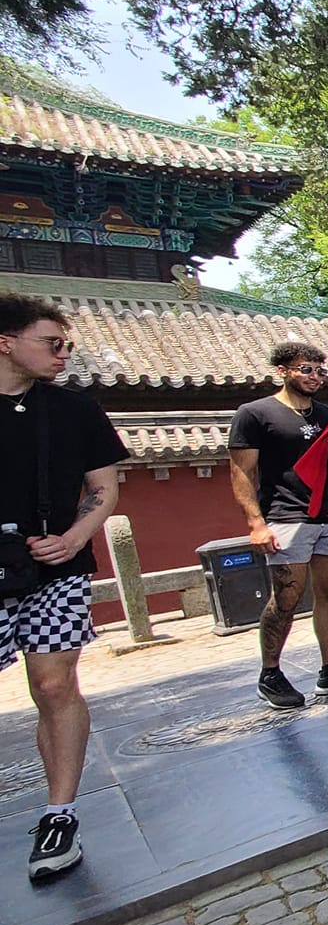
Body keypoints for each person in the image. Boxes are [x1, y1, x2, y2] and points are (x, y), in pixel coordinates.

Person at [1, 293, 125, 882]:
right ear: (7, 342)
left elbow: (104, 490)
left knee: (54, 686)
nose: (63, 354)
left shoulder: (77, 410)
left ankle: (59, 812)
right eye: (52, 342)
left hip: (57, 567)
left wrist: (76, 537)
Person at [228, 343, 328, 710]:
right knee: (288, 597)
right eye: (305, 369)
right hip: (285, 515)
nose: (314, 377)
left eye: (319, 371)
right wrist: (255, 523)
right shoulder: (255, 414)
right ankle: (271, 672)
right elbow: (242, 472)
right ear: (283, 371)